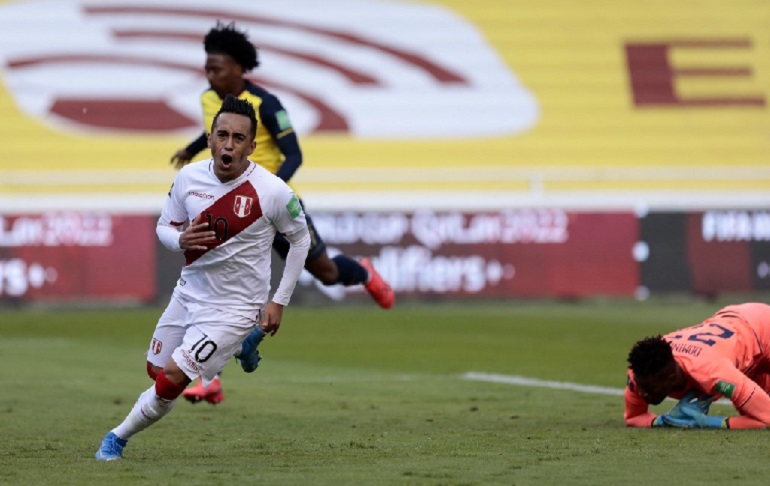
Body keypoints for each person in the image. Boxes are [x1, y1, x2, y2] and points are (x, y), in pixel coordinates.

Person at [171, 21, 395, 405]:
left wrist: (271, 191)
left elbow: (295, 154)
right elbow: (214, 130)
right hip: (231, 210)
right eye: (207, 68)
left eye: (217, 68)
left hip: (272, 205)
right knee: (221, 284)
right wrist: (191, 151)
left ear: (240, 69)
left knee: (325, 272)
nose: (210, 76)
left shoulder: (268, 105)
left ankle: (363, 271)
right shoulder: (211, 100)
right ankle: (207, 378)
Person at [95, 95, 311, 460]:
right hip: (189, 293)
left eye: (238, 138)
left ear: (252, 145)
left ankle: (116, 439)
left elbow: (301, 239)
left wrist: (279, 301)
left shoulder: (272, 191)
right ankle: (243, 346)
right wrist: (180, 239)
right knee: (155, 370)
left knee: (172, 379)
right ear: (209, 138)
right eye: (222, 135)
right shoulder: (188, 178)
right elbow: (165, 227)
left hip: (236, 308)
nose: (229, 145)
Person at [625, 302, 770, 429]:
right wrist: (662, 422)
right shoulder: (640, 370)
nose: (642, 393)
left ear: (671, 378)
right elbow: (633, 417)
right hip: (735, 331)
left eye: (649, 388)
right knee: (753, 414)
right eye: (641, 385)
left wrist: (708, 422)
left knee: (762, 415)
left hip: (763, 326)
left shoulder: (712, 372)